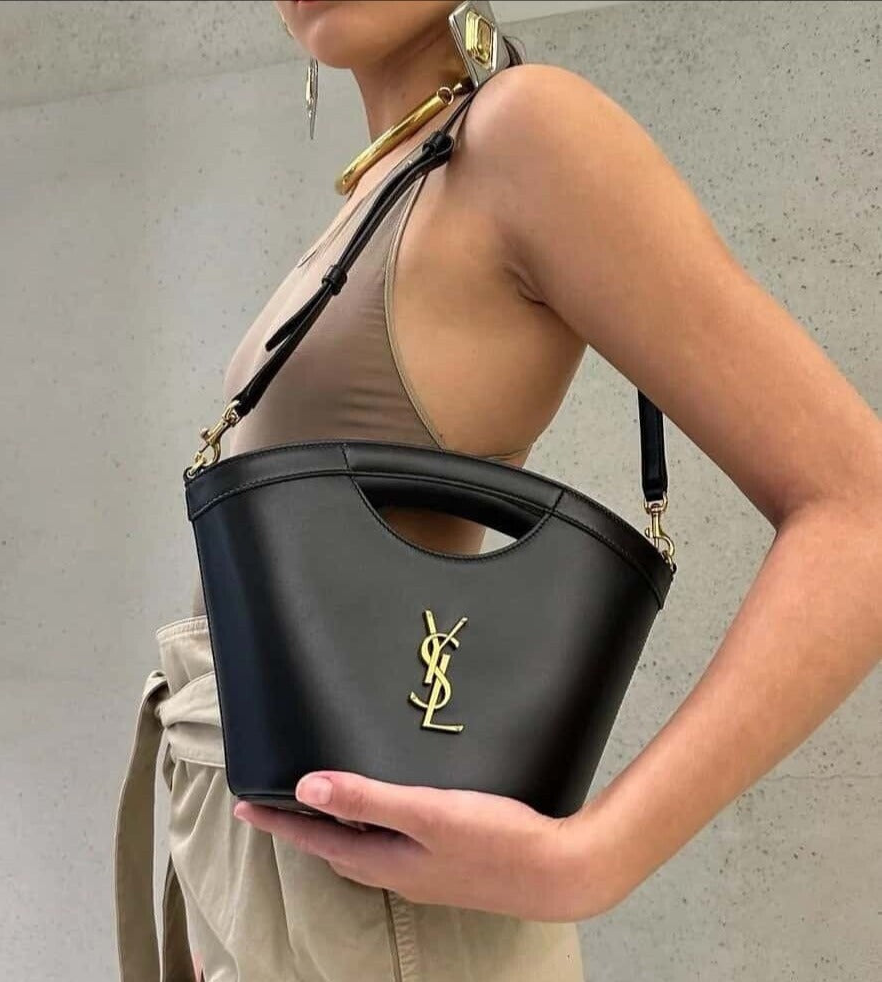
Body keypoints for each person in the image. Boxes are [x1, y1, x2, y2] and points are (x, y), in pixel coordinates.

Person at [113, 2, 882, 980]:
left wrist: (591, 859)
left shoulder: (524, 132)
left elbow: (860, 511)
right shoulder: (389, 184)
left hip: (381, 906)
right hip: (275, 871)